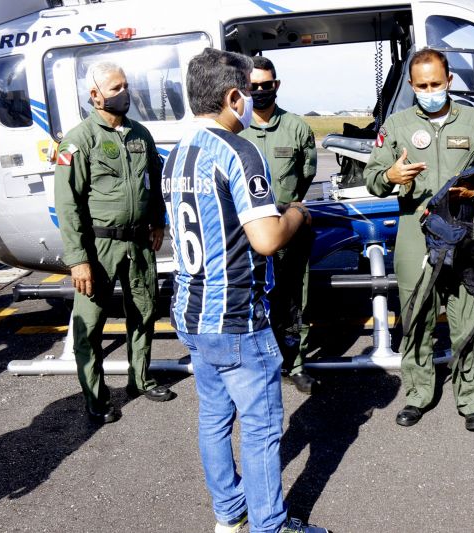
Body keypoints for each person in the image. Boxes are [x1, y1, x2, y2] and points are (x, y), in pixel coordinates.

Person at [163, 48, 328, 533]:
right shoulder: (238, 150)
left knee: (214, 418)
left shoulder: (176, 155)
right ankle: (269, 526)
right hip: (235, 315)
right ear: (234, 96)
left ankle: (228, 514)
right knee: (259, 428)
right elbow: (266, 238)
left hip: (191, 312)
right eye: (248, 94)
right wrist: (296, 212)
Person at [365, 48, 474, 432]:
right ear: (411, 85)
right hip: (415, 232)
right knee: (417, 317)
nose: (429, 90)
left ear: (449, 81)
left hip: (463, 231)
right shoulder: (397, 125)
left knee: (469, 316)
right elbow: (374, 180)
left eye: (435, 84)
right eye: (421, 85)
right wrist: (391, 175)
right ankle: (418, 395)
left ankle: (472, 399)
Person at [54, 61, 174, 425]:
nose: (125, 93)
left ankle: (141, 378)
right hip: (98, 248)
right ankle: (96, 396)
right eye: (117, 87)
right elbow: (67, 203)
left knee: (145, 311)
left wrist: (158, 222)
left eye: (126, 86)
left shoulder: (140, 134)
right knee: (90, 325)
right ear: (95, 95)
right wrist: (78, 260)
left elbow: (153, 182)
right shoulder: (78, 140)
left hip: (139, 243)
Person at [238, 56, 318, 394]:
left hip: (290, 227)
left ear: (277, 85)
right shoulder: (235, 130)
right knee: (251, 298)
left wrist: (291, 210)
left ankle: (294, 363)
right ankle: (258, 367)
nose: (259, 91)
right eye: (252, 86)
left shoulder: (297, 127)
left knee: (294, 299)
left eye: (265, 85)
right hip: (248, 233)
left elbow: (306, 174)